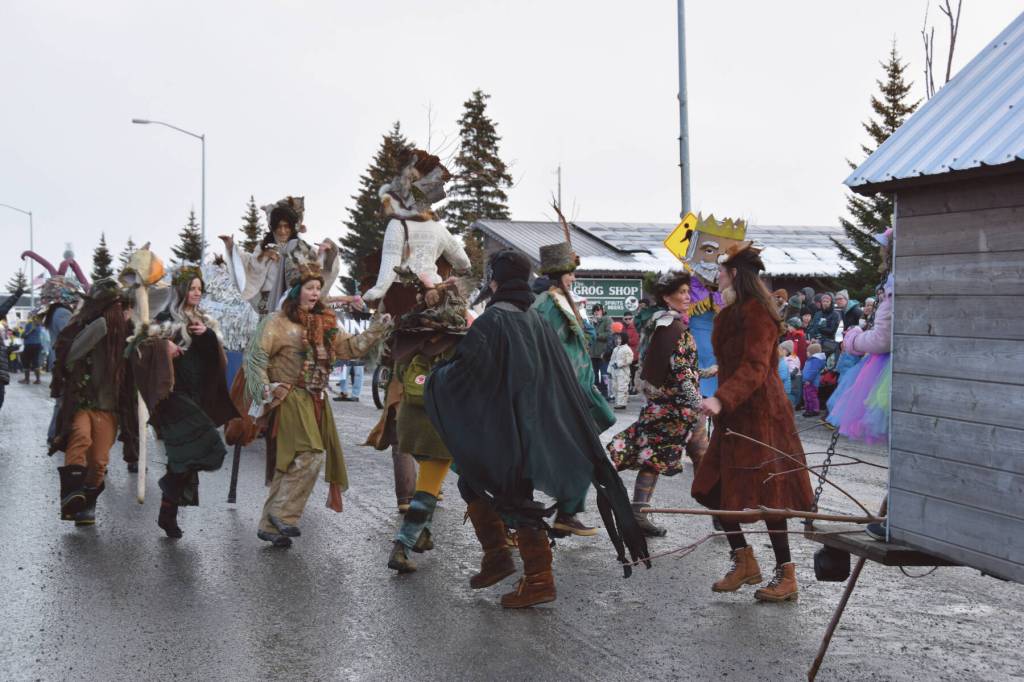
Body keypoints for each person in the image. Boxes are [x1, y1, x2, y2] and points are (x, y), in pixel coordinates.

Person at [425, 249, 649, 608]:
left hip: (507, 427)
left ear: (496, 282)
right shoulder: (535, 318)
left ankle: (539, 579)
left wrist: (437, 378)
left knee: (510, 493)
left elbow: (468, 372)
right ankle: (497, 556)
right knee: (474, 482)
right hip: (536, 422)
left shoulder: (493, 320)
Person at [692, 241, 814, 603]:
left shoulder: (757, 312)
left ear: (734, 275)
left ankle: (786, 574)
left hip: (762, 416)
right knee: (709, 487)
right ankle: (743, 561)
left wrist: (720, 397)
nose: (716, 276)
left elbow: (757, 368)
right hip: (735, 415)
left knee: (770, 496)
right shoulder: (730, 312)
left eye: (720, 271)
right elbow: (736, 361)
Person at [246, 259, 390, 548]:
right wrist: (266, 389)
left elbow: (350, 348)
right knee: (310, 454)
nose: (314, 293)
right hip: (287, 397)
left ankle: (269, 525)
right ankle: (284, 514)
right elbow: (255, 358)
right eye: (309, 288)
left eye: (318, 289)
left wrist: (376, 329)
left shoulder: (326, 322)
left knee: (290, 464)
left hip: (316, 398)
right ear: (297, 290)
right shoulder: (276, 322)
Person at [128, 266, 239, 538]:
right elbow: (135, 347)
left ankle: (167, 514)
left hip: (197, 396)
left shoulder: (208, 322)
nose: (197, 293)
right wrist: (162, 346)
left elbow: (216, 362)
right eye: (192, 288)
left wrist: (209, 336)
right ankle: (168, 499)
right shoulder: (165, 320)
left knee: (182, 457)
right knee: (207, 447)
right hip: (173, 397)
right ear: (181, 290)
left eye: (200, 288)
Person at [607, 271, 705, 537]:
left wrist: (706, 373)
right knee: (690, 458)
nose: (687, 296)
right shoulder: (674, 328)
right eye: (681, 292)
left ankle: (639, 512)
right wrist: (700, 402)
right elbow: (681, 370)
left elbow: (667, 366)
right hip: (678, 409)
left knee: (661, 457)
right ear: (666, 297)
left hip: (665, 404)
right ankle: (720, 514)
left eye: (688, 291)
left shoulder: (660, 323)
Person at [531, 241, 615, 537]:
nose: (574, 278)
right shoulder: (548, 305)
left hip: (577, 390)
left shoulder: (559, 301)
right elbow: (547, 347)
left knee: (577, 450)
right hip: (563, 393)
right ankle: (560, 511)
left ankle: (564, 510)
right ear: (559, 274)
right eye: (570, 273)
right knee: (579, 452)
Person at [48, 279, 133, 526]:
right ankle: (71, 498)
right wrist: (101, 326)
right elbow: (69, 355)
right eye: (112, 305)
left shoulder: (129, 332)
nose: (117, 310)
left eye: (120, 305)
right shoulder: (84, 326)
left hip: (110, 406)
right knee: (81, 438)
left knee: (98, 462)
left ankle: (87, 501)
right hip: (82, 402)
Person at [589, 304, 613, 397]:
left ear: (603, 311)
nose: (596, 312)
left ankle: (606, 394)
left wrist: (596, 334)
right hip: (593, 353)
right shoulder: (592, 321)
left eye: (598, 310)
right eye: (594, 310)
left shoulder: (607, 319)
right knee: (593, 376)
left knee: (604, 375)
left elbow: (610, 334)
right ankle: (596, 395)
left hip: (603, 353)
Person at [608, 331, 633, 410]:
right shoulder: (616, 349)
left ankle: (622, 403)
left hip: (623, 371)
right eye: (617, 339)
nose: (618, 340)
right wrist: (609, 370)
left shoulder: (627, 349)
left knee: (622, 387)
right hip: (615, 371)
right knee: (615, 386)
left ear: (624, 339)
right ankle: (618, 401)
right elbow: (612, 360)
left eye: (620, 339)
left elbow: (629, 360)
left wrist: (619, 364)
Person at [801, 342, 826, 417]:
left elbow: (813, 371)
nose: (806, 353)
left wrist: (808, 380)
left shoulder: (815, 361)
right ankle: (808, 409)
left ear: (812, 352)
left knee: (811, 396)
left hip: (811, 382)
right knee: (807, 396)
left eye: (808, 352)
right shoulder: (811, 360)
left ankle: (814, 410)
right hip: (807, 381)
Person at [19, 316, 44, 384]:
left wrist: (22, 334)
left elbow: (24, 335)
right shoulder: (39, 325)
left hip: (29, 344)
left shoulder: (30, 324)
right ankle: (38, 380)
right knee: (36, 361)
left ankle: (27, 379)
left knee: (26, 361)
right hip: (38, 344)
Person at [780, 340, 802, 409]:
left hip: (794, 377)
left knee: (794, 391)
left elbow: (796, 367)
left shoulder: (793, 357)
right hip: (789, 377)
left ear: (787, 350)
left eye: (782, 349)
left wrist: (791, 375)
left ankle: (796, 404)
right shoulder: (785, 357)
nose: (781, 351)